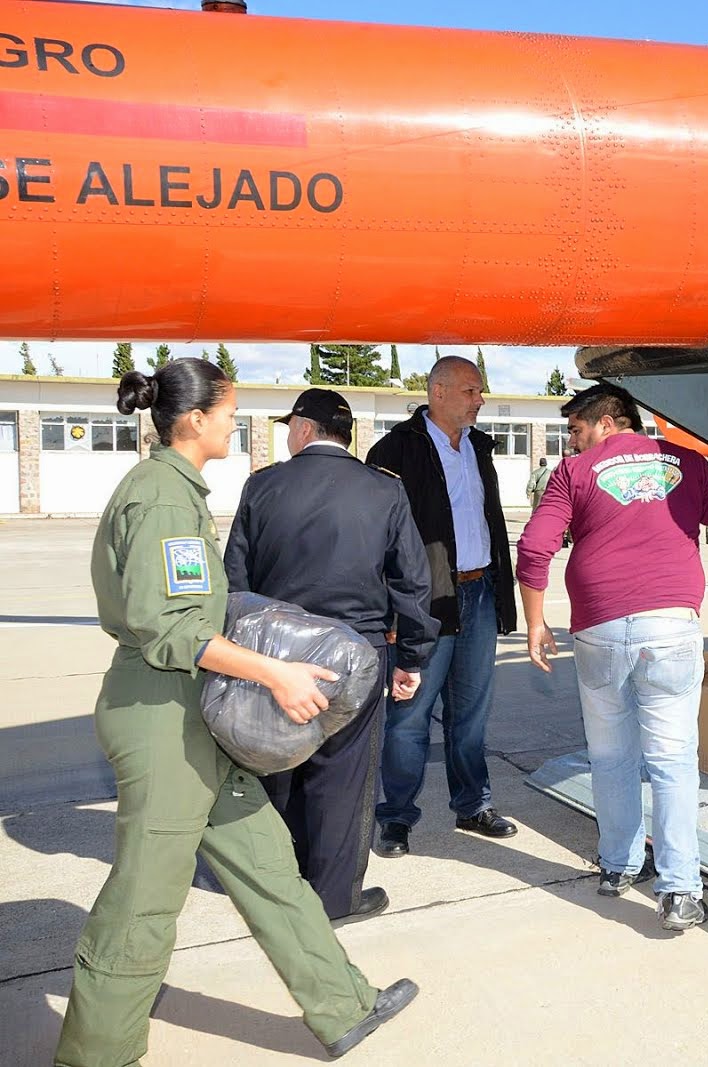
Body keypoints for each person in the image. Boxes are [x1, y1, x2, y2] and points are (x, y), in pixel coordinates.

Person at [57, 360, 415, 1067]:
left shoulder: (177, 491)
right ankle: (96, 1053)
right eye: (228, 412)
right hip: (163, 720)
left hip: (194, 718)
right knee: (144, 900)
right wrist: (274, 672)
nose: (235, 423)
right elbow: (171, 628)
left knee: (268, 863)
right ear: (194, 419)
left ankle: (342, 1003)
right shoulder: (162, 497)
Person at [518, 383, 708, 931]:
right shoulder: (688, 464)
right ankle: (679, 891)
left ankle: (618, 865)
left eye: (576, 430)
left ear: (607, 420)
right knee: (672, 763)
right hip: (670, 627)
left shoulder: (573, 474)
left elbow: (535, 548)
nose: (572, 442)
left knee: (610, 757)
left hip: (598, 628)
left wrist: (536, 620)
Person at [224, 387, 439, 922]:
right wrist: (412, 657)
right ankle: (335, 897)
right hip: (355, 654)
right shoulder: (384, 491)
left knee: (273, 763)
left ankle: (272, 887)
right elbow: (412, 582)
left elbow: (234, 579)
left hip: (276, 653)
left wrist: (239, 653)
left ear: (302, 427)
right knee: (343, 777)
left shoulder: (264, 485)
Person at [366, 355, 518, 857]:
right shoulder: (395, 450)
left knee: (471, 712)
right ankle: (396, 818)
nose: (480, 401)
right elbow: (378, 539)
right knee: (409, 716)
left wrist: (500, 592)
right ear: (438, 391)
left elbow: (489, 522)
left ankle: (473, 805)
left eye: (480, 392)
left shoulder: (479, 447)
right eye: (471, 391)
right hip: (423, 602)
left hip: (477, 593)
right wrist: (391, 612)